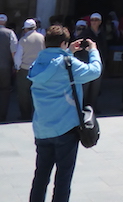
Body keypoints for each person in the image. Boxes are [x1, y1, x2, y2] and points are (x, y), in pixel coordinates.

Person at [27, 24, 101, 202]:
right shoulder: (67, 63)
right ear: (63, 43)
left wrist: (67, 51)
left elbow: (55, 65)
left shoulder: (37, 63)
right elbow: (94, 71)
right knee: (63, 179)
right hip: (66, 129)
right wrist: (93, 51)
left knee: (41, 176)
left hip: (42, 129)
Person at [15, 19, 45, 121]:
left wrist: (17, 68)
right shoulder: (43, 38)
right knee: (38, 93)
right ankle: (37, 114)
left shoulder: (23, 40)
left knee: (24, 94)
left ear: (25, 29)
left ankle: (25, 115)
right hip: (39, 69)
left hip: (25, 69)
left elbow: (18, 57)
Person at [78, 13, 107, 110]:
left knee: (96, 87)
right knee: (85, 86)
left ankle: (92, 107)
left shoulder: (102, 33)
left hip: (98, 62)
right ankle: (83, 107)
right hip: (86, 63)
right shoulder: (85, 34)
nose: (94, 22)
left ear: (100, 22)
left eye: (96, 20)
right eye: (92, 20)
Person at [0, 13, 17, 123]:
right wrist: (15, 66)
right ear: (5, 22)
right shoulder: (10, 33)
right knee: (5, 91)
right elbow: (13, 51)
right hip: (5, 67)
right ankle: (2, 115)